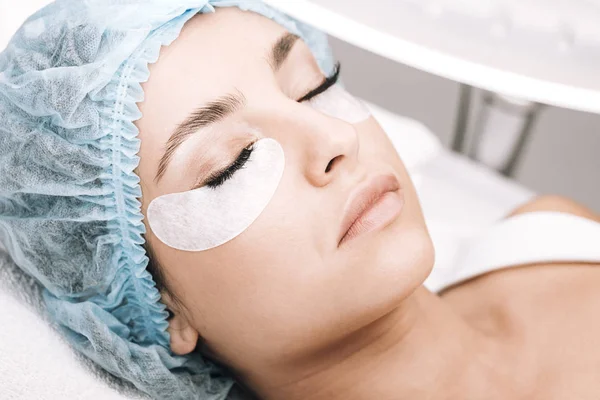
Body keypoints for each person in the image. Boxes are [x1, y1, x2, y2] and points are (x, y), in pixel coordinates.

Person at [1, 1, 600, 399]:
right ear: (160, 307)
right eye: (229, 167)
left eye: (314, 89)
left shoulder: (549, 235)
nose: (336, 140)